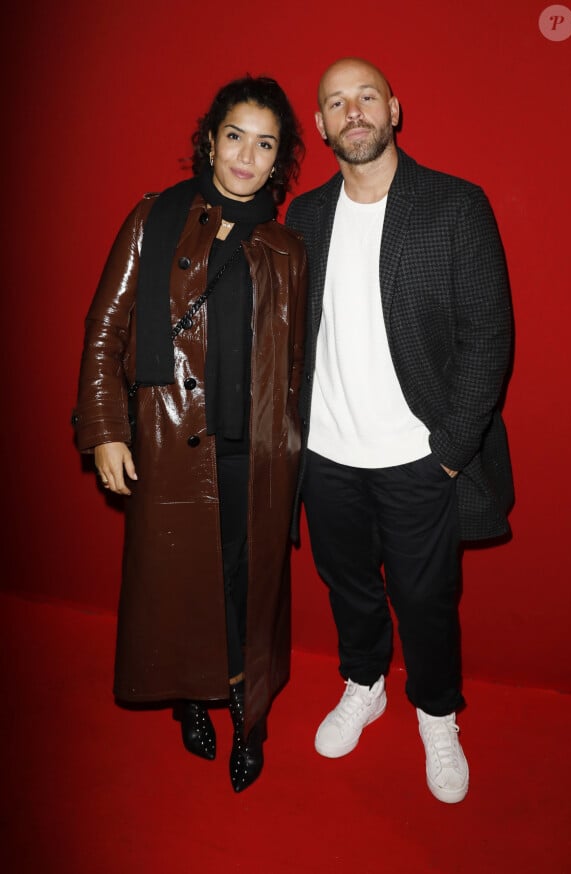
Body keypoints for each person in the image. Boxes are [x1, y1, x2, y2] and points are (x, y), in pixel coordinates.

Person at [286, 57, 513, 804]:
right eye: (335, 103)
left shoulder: (455, 205)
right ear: (319, 126)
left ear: (394, 109)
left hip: (418, 459)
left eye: (366, 97)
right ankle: (364, 683)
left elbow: (489, 337)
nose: (353, 111)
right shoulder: (306, 216)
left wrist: (447, 456)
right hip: (326, 456)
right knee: (347, 586)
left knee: (425, 600)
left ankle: (438, 714)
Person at [73, 75, 307, 793]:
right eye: (235, 135)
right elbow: (106, 328)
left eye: (264, 144)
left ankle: (245, 707)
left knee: (244, 585)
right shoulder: (156, 217)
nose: (246, 155)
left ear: (278, 161)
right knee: (180, 584)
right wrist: (107, 428)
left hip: (257, 453)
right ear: (211, 140)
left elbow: (299, 362)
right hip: (171, 446)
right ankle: (189, 695)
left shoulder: (287, 249)